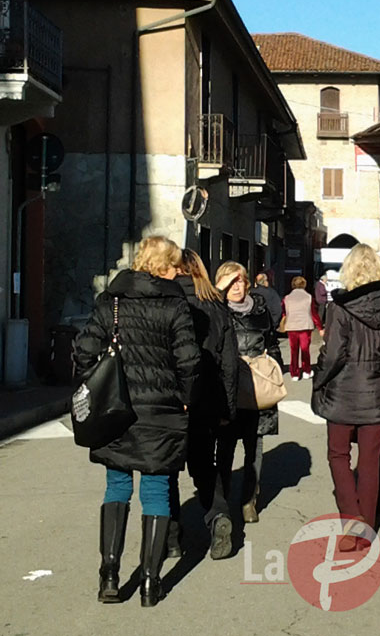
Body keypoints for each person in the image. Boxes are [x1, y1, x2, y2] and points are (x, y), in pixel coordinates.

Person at [73, 236, 199, 607]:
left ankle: (109, 577)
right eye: (174, 264)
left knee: (116, 485)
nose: (178, 271)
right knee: (157, 490)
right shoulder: (175, 306)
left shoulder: (110, 300)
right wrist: (187, 399)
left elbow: (84, 350)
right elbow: (189, 362)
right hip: (162, 411)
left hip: (116, 409)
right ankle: (150, 581)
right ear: (162, 267)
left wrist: (93, 385)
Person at [312, 244, 380, 527]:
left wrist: (318, 380)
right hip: (375, 393)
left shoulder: (340, 307)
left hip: (343, 393)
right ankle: (367, 525)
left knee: (338, 456)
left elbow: (334, 353)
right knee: (370, 462)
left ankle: (351, 517)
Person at [175, 248, 239, 560]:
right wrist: (227, 408)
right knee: (203, 464)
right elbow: (230, 364)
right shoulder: (217, 305)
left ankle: (172, 534)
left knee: (167, 468)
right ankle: (218, 515)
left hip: (173, 398)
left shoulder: (168, 301)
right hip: (209, 398)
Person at [215, 260, 284, 525]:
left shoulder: (260, 309)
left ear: (247, 283)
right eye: (230, 282)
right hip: (228, 387)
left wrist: (273, 367)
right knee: (225, 448)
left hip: (258, 385)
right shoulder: (217, 310)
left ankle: (248, 501)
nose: (236, 287)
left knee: (255, 447)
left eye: (240, 281)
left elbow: (272, 343)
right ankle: (221, 502)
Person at [281, 276, 323, 380]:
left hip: (292, 326)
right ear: (304, 284)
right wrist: (320, 327)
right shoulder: (309, 297)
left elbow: (284, 312)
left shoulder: (286, 298)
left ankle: (294, 373)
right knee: (305, 350)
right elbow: (314, 314)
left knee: (293, 350)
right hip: (305, 326)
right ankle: (306, 371)